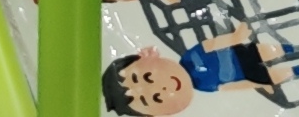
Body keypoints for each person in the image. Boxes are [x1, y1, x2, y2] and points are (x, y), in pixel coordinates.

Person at [101, 34, 283, 110]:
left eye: (148, 77)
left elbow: (211, 44)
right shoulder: (204, 86)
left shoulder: (189, 58)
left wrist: (235, 37)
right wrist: (255, 84)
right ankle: (292, 67)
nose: (162, 88)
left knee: (274, 50)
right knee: (278, 72)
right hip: (248, 73)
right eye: (156, 98)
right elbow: (229, 87)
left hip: (240, 53)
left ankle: (289, 50)